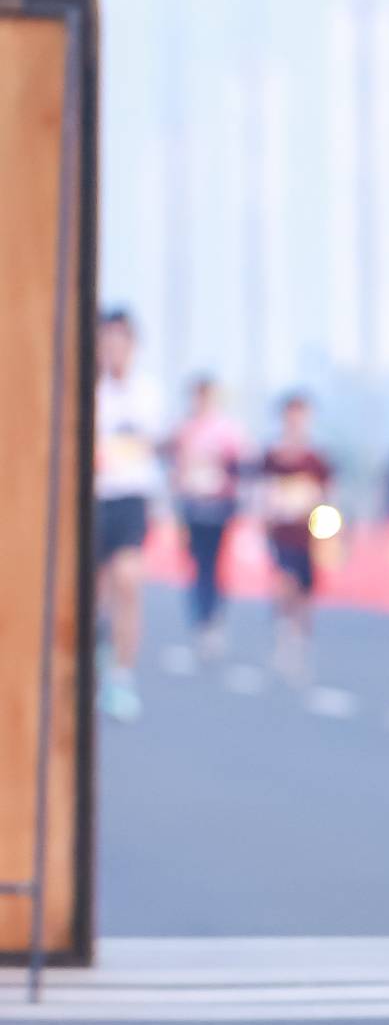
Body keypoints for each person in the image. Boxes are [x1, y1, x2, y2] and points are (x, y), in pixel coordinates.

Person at [94, 307, 163, 722]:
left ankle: (122, 676)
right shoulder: (87, 389)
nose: (114, 346)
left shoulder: (147, 393)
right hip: (92, 501)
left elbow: (148, 445)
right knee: (94, 592)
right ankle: (96, 652)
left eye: (121, 339)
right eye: (108, 338)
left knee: (128, 581)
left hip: (130, 500)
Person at [168, 374, 247, 660]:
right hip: (192, 507)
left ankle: (214, 618)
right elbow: (175, 466)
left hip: (219, 507)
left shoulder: (227, 430)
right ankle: (201, 620)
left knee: (215, 566)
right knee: (197, 565)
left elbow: (240, 466)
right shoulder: (184, 429)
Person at [260, 392, 334, 685]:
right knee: (284, 581)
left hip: (309, 532)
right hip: (281, 531)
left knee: (305, 589)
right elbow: (261, 491)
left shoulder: (316, 457)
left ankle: (301, 641)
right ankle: (283, 636)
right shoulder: (273, 455)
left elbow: (328, 492)